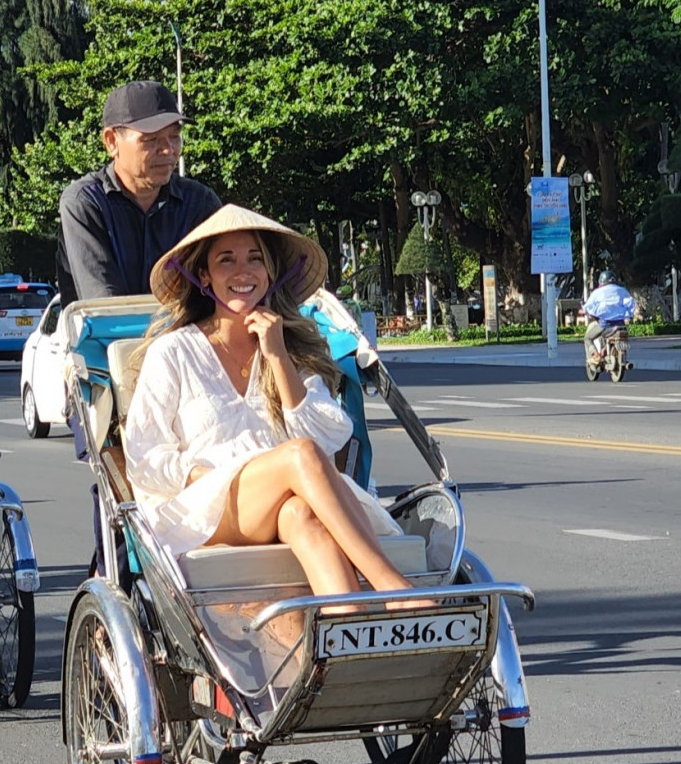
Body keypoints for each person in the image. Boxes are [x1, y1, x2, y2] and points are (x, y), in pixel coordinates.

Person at [122, 206, 420, 647]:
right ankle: (395, 591)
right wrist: (200, 475)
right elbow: (143, 455)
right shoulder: (173, 352)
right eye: (227, 259)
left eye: (255, 258)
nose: (243, 271)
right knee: (296, 455)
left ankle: (349, 632)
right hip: (202, 507)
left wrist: (278, 357)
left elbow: (328, 440)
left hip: (282, 500)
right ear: (204, 276)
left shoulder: (291, 349)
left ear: (271, 272)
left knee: (299, 512)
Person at [57, 80, 220, 304]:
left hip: (184, 337)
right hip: (107, 338)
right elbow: (104, 307)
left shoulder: (200, 203)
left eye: (174, 136)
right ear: (111, 141)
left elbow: (218, 292)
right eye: (151, 139)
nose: (168, 150)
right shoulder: (85, 203)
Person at [581, 271, 637, 363]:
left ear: (601, 281)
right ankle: (605, 351)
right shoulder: (622, 290)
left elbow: (587, 306)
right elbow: (631, 304)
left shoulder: (598, 292)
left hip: (605, 324)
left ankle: (595, 356)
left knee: (588, 338)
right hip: (621, 324)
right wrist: (628, 315)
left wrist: (584, 310)